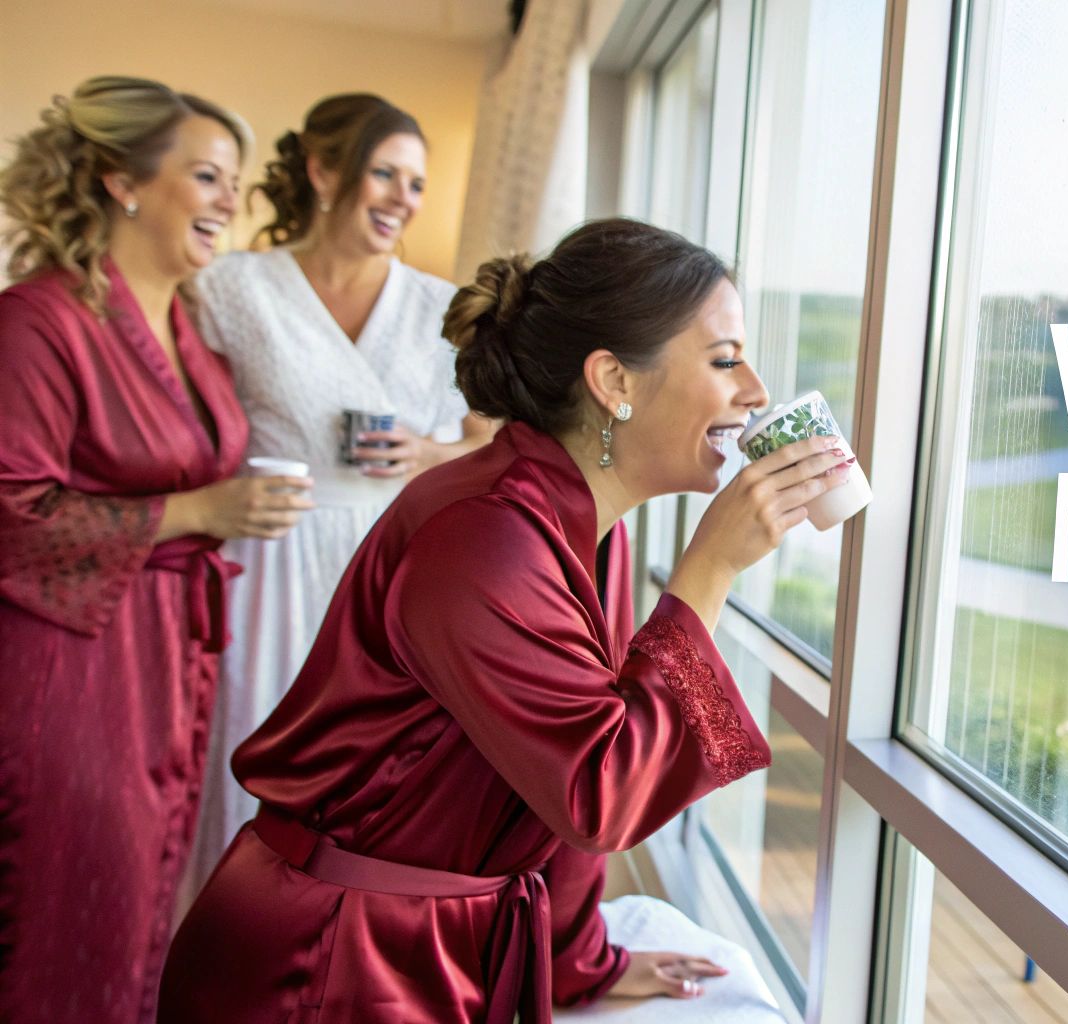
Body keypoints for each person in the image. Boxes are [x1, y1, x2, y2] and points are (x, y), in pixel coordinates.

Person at [160, 217, 857, 1022]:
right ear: (615, 382)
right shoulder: (484, 539)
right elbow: (599, 792)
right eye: (725, 359)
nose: (757, 394)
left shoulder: (589, 527)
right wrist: (710, 571)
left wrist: (576, 963)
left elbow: (544, 796)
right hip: (326, 962)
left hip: (427, 941)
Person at [0, 76, 309, 1024]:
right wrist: (197, 509)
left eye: (237, 182)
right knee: (68, 908)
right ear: (119, 182)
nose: (230, 201)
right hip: (72, 670)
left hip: (170, 657)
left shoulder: (190, 329)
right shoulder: (37, 322)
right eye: (209, 176)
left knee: (142, 902)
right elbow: (10, 507)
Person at [181, 93, 495, 908]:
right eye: (384, 173)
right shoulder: (232, 288)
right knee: (248, 761)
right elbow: (175, 418)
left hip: (394, 571)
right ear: (324, 171)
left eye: (416, 183)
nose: (403, 198)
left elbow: (503, 446)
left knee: (372, 795)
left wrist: (431, 453)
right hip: (269, 557)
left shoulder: (439, 307)